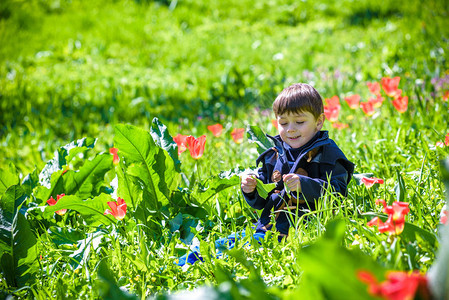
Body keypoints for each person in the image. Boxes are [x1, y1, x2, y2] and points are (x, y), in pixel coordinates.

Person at [241, 83, 354, 237]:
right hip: (267, 227)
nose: (290, 129)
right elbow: (261, 201)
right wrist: (251, 189)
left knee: (240, 249)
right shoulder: (274, 154)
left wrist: (305, 185)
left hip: (302, 230)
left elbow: (338, 194)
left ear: (319, 122)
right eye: (283, 123)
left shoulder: (328, 154)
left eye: (299, 122)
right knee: (223, 245)